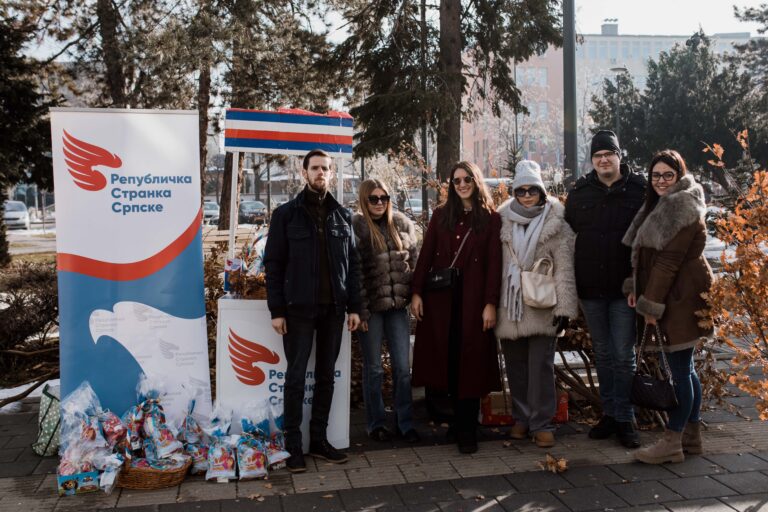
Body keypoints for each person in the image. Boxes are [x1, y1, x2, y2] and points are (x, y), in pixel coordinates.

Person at [263, 149, 362, 473]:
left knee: (325, 378)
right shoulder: (286, 216)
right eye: (315, 168)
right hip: (298, 311)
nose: (321, 173)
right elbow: (274, 266)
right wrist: (277, 310)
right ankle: (294, 446)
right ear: (304, 172)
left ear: (332, 174)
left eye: (326, 169)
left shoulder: (343, 216)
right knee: (294, 378)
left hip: (333, 311)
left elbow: (354, 267)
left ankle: (318, 440)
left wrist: (355, 307)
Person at [622, 150, 714, 464]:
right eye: (656, 175)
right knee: (685, 369)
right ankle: (692, 437)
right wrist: (635, 287)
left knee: (679, 371)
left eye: (667, 175)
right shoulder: (657, 204)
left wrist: (651, 305)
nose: (661, 181)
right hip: (672, 294)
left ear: (679, 176)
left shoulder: (683, 206)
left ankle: (672, 442)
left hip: (680, 297)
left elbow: (667, 263)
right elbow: (644, 257)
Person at [410, 161, 502, 454]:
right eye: (456, 180)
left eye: (467, 179)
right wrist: (416, 292)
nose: (461, 184)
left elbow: (493, 265)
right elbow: (425, 257)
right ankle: (452, 420)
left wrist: (490, 303)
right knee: (445, 358)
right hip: (441, 300)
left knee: (470, 361)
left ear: (476, 182)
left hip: (473, 299)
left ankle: (467, 428)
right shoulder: (441, 216)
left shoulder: (490, 219)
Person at [564, 130, 646, 448]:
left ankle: (625, 418)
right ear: (593, 160)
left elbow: (649, 241)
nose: (603, 159)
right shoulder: (580, 193)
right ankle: (609, 414)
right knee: (603, 354)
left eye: (608, 154)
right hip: (591, 289)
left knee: (624, 356)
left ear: (618, 155)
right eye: (598, 155)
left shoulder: (639, 190)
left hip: (625, 291)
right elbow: (567, 238)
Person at [496, 160, 578, 448]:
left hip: (543, 306)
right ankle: (521, 418)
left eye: (533, 190)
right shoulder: (501, 220)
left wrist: (565, 309)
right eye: (521, 190)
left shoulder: (557, 224)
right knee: (515, 366)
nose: (527, 195)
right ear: (515, 192)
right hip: (510, 306)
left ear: (542, 192)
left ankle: (542, 422)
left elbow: (565, 268)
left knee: (540, 367)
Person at [352, 179, 420, 444]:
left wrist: (415, 296)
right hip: (372, 310)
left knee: (403, 368)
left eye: (384, 197)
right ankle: (376, 423)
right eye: (373, 198)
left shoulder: (402, 225)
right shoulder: (356, 229)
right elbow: (355, 275)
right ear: (364, 200)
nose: (380, 203)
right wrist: (361, 311)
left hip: (398, 309)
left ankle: (405, 423)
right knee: (374, 369)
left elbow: (415, 266)